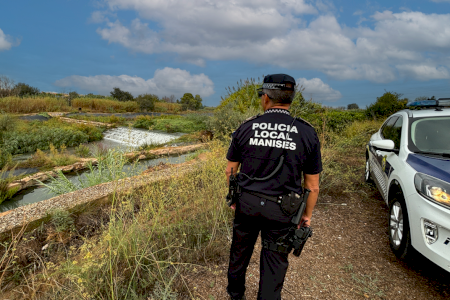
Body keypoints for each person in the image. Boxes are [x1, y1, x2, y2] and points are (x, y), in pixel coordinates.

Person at [226, 74, 322, 300]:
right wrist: (306, 215)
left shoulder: (246, 127)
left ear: (266, 97)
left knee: (239, 252)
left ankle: (235, 294)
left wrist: (233, 198)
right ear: (291, 98)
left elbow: (231, 170)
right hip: (283, 211)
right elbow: (312, 185)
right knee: (274, 262)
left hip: (247, 204)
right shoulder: (307, 132)